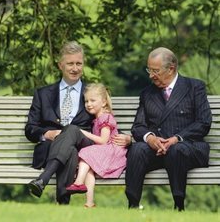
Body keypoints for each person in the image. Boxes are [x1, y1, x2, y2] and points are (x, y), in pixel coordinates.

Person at [25, 41, 131, 204]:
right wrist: (48, 134)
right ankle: (63, 203)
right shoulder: (43, 94)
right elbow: (30, 129)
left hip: (84, 146)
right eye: (70, 64)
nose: (75, 68)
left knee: (73, 131)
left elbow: (106, 121)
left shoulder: (91, 95)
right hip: (51, 149)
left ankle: (43, 180)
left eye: (78, 63)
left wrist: (128, 138)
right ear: (60, 65)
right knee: (71, 150)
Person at [125, 47, 212, 211]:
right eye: (149, 70)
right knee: (136, 150)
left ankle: (179, 206)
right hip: (157, 149)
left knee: (176, 150)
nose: (151, 75)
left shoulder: (194, 87)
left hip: (189, 147)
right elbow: (138, 126)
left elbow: (203, 122)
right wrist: (150, 138)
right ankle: (133, 204)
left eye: (155, 71)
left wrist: (176, 138)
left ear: (171, 68)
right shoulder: (147, 93)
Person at [65, 83, 127, 208]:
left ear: (104, 102)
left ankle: (78, 182)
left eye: (93, 100)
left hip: (112, 152)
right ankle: (89, 203)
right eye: (86, 101)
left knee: (86, 153)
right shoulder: (97, 119)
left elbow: (104, 140)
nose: (88, 104)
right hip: (105, 151)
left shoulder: (105, 117)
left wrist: (83, 133)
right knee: (89, 170)